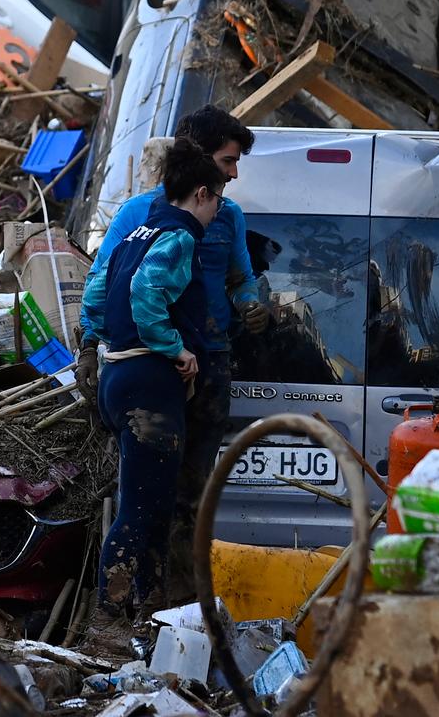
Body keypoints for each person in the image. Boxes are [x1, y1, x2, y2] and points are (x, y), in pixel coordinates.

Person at [74, 107, 270, 600]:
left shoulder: (229, 216)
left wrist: (252, 305)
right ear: (198, 165)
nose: (234, 174)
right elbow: (108, 285)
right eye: (227, 161)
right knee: (143, 493)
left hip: (207, 365)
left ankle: (177, 606)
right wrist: (92, 347)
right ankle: (127, 608)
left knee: (190, 494)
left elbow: (242, 278)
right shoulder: (143, 216)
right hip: (157, 368)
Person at [77, 138, 227, 643]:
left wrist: (94, 342)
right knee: (142, 509)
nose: (219, 210)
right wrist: (175, 348)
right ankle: (108, 618)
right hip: (149, 387)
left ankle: (149, 612)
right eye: (219, 199)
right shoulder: (179, 237)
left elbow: (97, 291)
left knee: (150, 503)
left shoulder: (135, 231)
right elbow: (146, 292)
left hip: (117, 377)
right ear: (202, 193)